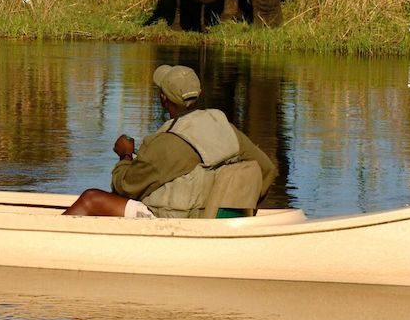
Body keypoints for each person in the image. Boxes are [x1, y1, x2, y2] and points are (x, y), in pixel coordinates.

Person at [63, 64, 276, 218]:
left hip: (170, 222)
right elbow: (266, 169)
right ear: (198, 94)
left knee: (91, 198)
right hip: (206, 220)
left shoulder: (166, 144)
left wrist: (125, 155)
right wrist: (235, 212)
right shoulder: (227, 130)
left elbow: (124, 187)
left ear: (164, 99)